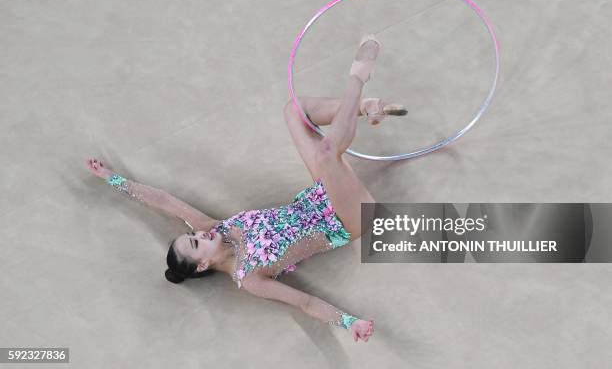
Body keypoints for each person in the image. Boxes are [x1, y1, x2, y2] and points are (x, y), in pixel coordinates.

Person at [85, 34, 407, 343]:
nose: (200, 235)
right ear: (202, 265)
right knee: (326, 153)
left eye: (193, 235)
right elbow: (305, 303)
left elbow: (164, 201)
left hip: (321, 194)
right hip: (347, 220)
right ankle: (360, 73)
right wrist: (350, 322)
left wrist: (112, 178)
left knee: (293, 111)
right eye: (197, 244)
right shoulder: (249, 278)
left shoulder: (214, 228)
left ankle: (365, 107)